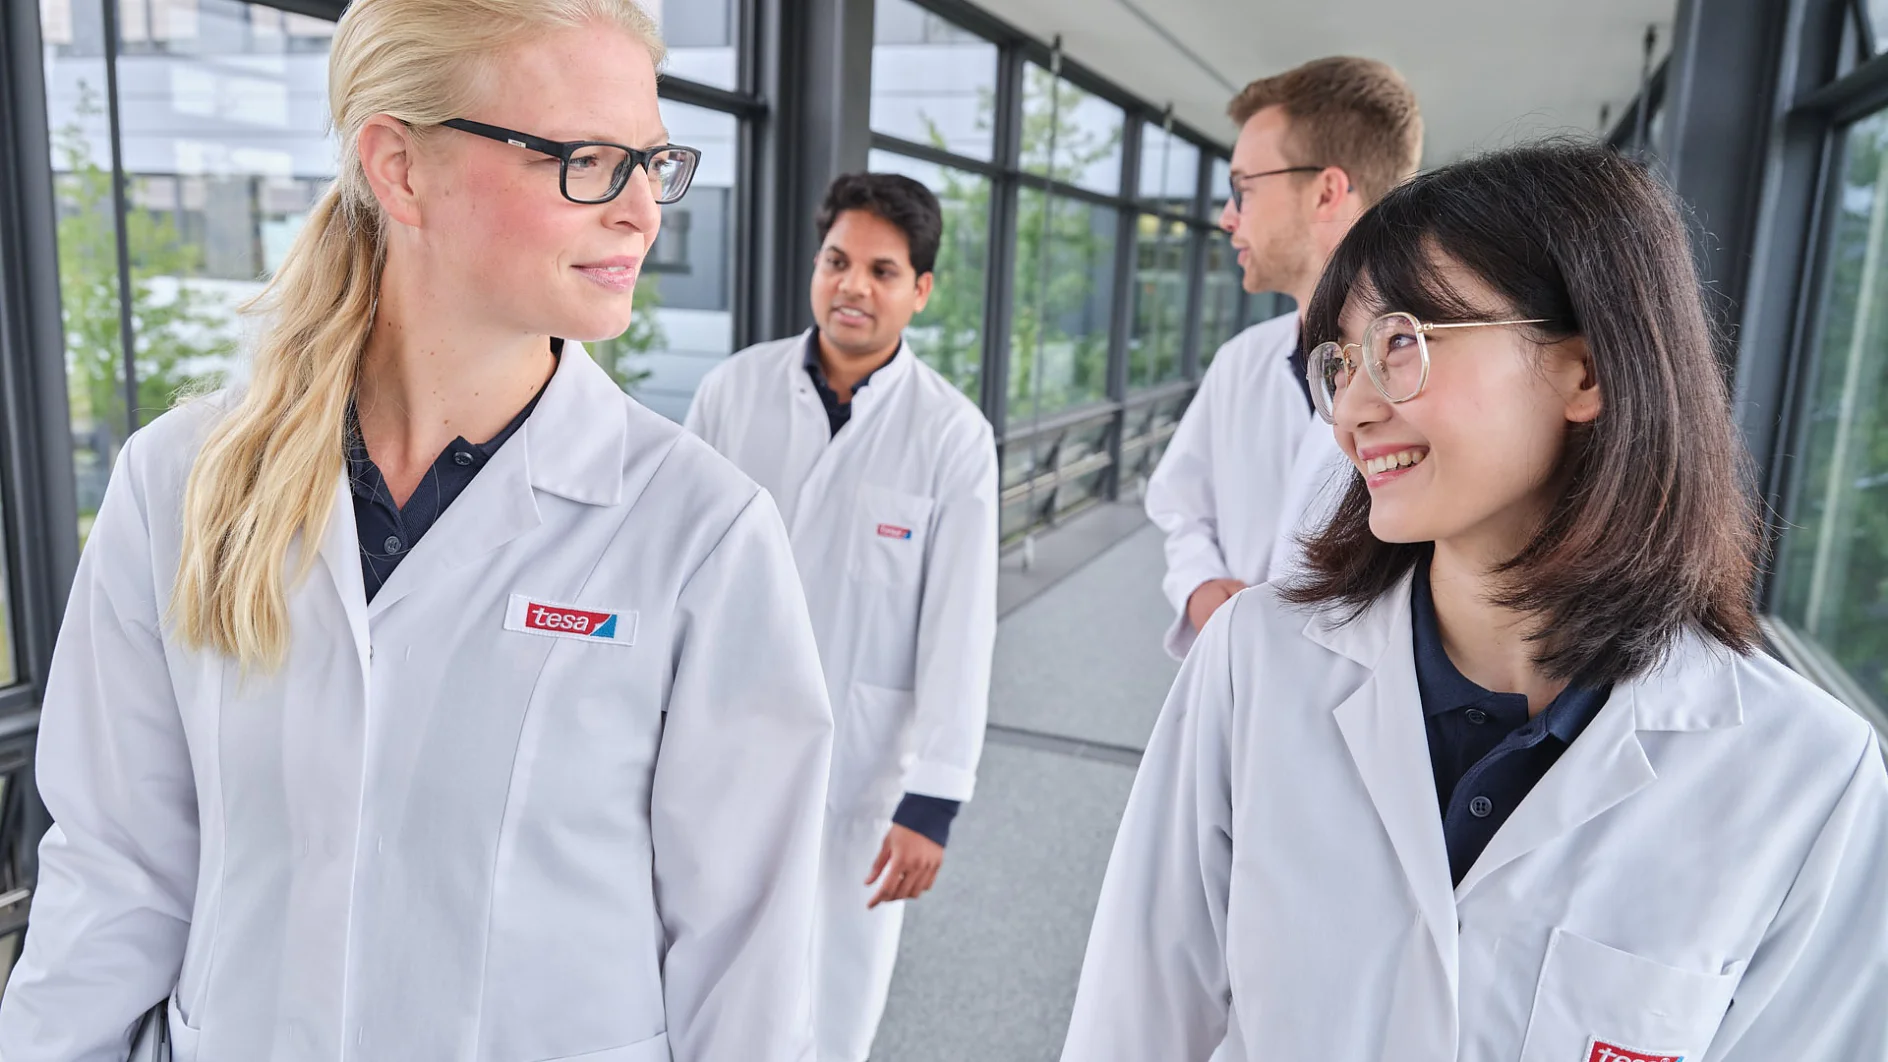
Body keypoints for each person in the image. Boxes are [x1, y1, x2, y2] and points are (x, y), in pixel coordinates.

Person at [0, 1, 834, 1058]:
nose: (640, 212)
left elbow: (746, 966)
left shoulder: (702, 536)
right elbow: (115, 875)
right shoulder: (176, 484)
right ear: (398, 168)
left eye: (652, 162)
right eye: (585, 159)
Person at [1062, 141, 1888, 1060]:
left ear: (1587, 370)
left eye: (1403, 344)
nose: (1350, 410)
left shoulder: (1808, 778)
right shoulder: (1255, 660)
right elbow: (1135, 1021)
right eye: (1340, 361)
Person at [686, 172, 998, 1062]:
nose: (852, 286)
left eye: (882, 270)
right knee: (708, 972)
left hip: (862, 771)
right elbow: (680, 576)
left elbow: (960, 623)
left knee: (833, 996)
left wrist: (935, 795)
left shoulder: (951, 435)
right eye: (837, 261)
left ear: (920, 290)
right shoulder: (731, 392)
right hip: (723, 740)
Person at [1146, 56, 1422, 658]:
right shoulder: (1242, 361)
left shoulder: (1429, 377)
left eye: (1243, 189)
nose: (1226, 217)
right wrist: (1198, 584)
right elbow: (1179, 505)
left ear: (1326, 191)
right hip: (1231, 682)